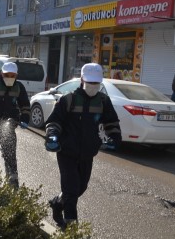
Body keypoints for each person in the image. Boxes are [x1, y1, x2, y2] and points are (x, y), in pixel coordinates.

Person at [44, 63, 122, 229]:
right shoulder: (69, 99)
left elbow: (111, 122)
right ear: (82, 80)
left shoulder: (103, 101)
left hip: (87, 153)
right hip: (66, 152)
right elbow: (54, 121)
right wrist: (52, 136)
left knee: (81, 187)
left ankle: (58, 203)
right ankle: (71, 227)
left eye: (96, 83)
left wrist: (115, 137)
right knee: (71, 189)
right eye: (90, 82)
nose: (93, 86)